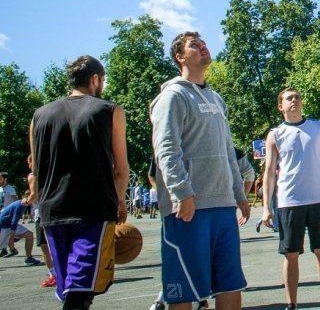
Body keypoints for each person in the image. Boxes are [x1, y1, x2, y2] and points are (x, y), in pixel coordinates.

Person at [150, 31, 249, 310]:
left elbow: (228, 150)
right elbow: (166, 149)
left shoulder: (217, 99)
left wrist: (239, 193)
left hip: (223, 206)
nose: (203, 46)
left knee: (230, 285)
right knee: (184, 293)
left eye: (204, 42)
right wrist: (182, 192)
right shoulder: (172, 96)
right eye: (194, 44)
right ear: (179, 57)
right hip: (189, 209)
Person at [29, 54, 130, 310]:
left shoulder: (39, 116)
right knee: (80, 292)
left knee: (69, 291)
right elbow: (121, 168)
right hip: (93, 211)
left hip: (52, 212)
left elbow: (35, 172)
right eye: (103, 80)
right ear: (95, 79)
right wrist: (119, 200)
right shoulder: (110, 110)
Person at [262, 87, 320, 310]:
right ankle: (291, 304)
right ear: (281, 106)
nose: (295, 100)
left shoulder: (317, 126)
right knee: (290, 254)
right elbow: (269, 172)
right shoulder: (275, 134)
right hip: (289, 201)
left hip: (317, 199)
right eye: (289, 98)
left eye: (297, 97)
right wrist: (267, 207)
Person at [0, 192, 42, 265]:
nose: (36, 199)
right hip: (4, 225)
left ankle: (29, 258)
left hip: (8, 224)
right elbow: (14, 223)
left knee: (29, 234)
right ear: (28, 197)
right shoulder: (20, 205)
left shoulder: (24, 204)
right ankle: (6, 248)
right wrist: (11, 241)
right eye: (34, 197)